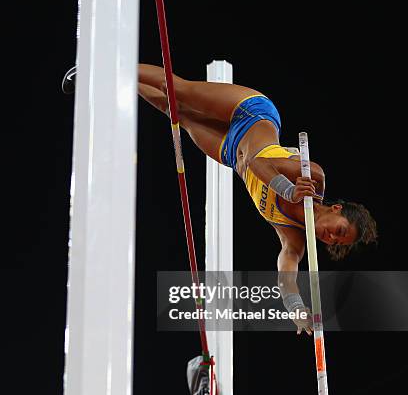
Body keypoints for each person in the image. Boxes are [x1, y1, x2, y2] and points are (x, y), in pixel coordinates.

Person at [63, 63, 378, 334]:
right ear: (336, 209)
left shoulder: (294, 238)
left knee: (176, 113)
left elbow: (286, 275)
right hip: (252, 114)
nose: (331, 237)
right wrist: (288, 189)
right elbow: (257, 162)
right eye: (339, 229)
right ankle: (107, 66)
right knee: (179, 90)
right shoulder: (312, 177)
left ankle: (122, 80)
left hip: (229, 151)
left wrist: (295, 309)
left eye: (336, 242)